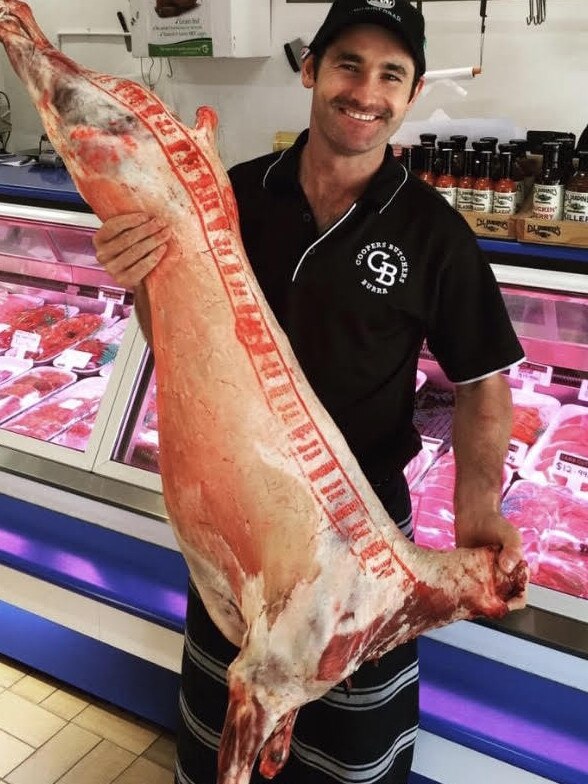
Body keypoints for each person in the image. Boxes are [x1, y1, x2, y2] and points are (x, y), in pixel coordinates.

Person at [93, 1, 525, 782]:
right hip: (241, 520)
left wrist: (479, 508)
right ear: (311, 72)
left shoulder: (435, 233)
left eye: (391, 74)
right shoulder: (237, 195)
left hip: (363, 536)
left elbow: (481, 382)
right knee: (228, 726)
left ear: (412, 92)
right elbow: (177, 340)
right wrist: (140, 279)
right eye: (348, 65)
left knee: (352, 755)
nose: (366, 90)